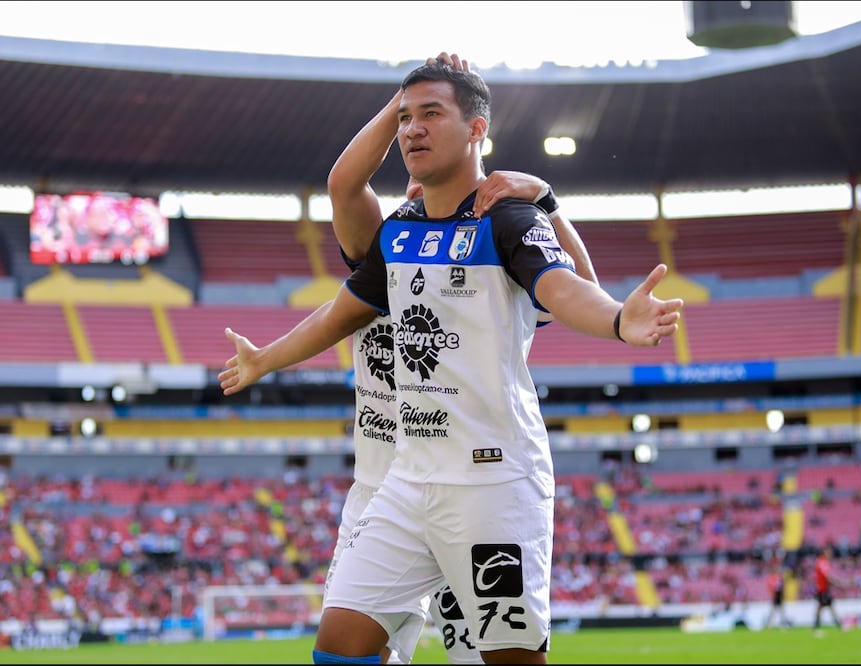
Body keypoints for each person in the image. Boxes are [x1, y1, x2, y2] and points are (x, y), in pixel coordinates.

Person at [219, 57, 683, 664]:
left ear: (476, 129)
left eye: (431, 114)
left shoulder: (509, 219)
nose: (412, 129)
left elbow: (564, 289)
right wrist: (264, 360)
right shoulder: (399, 232)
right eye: (406, 117)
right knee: (339, 646)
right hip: (406, 480)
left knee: (506, 658)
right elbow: (339, 315)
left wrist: (620, 319)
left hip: (492, 483)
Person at [319, 52, 599, 666]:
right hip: (384, 488)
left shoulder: (488, 250)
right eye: (405, 130)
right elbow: (345, 183)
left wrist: (548, 200)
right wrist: (407, 106)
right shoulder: (384, 247)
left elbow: (581, 284)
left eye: (431, 119)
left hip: (471, 481)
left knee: (485, 657)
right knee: (352, 649)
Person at [813, 546, 842, 634]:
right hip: (822, 588)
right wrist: (837, 583)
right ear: (824, 553)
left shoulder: (823, 562)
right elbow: (826, 576)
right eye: (828, 552)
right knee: (823, 607)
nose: (830, 554)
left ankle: (817, 628)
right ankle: (817, 629)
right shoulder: (822, 562)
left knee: (825, 607)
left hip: (823, 588)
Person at [763, 563, 791, 629]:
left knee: (781, 611)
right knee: (773, 611)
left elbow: (782, 586)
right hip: (775, 596)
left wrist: (783, 594)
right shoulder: (771, 578)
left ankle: (783, 624)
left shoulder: (778, 577)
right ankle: (770, 624)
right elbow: (772, 587)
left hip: (779, 596)